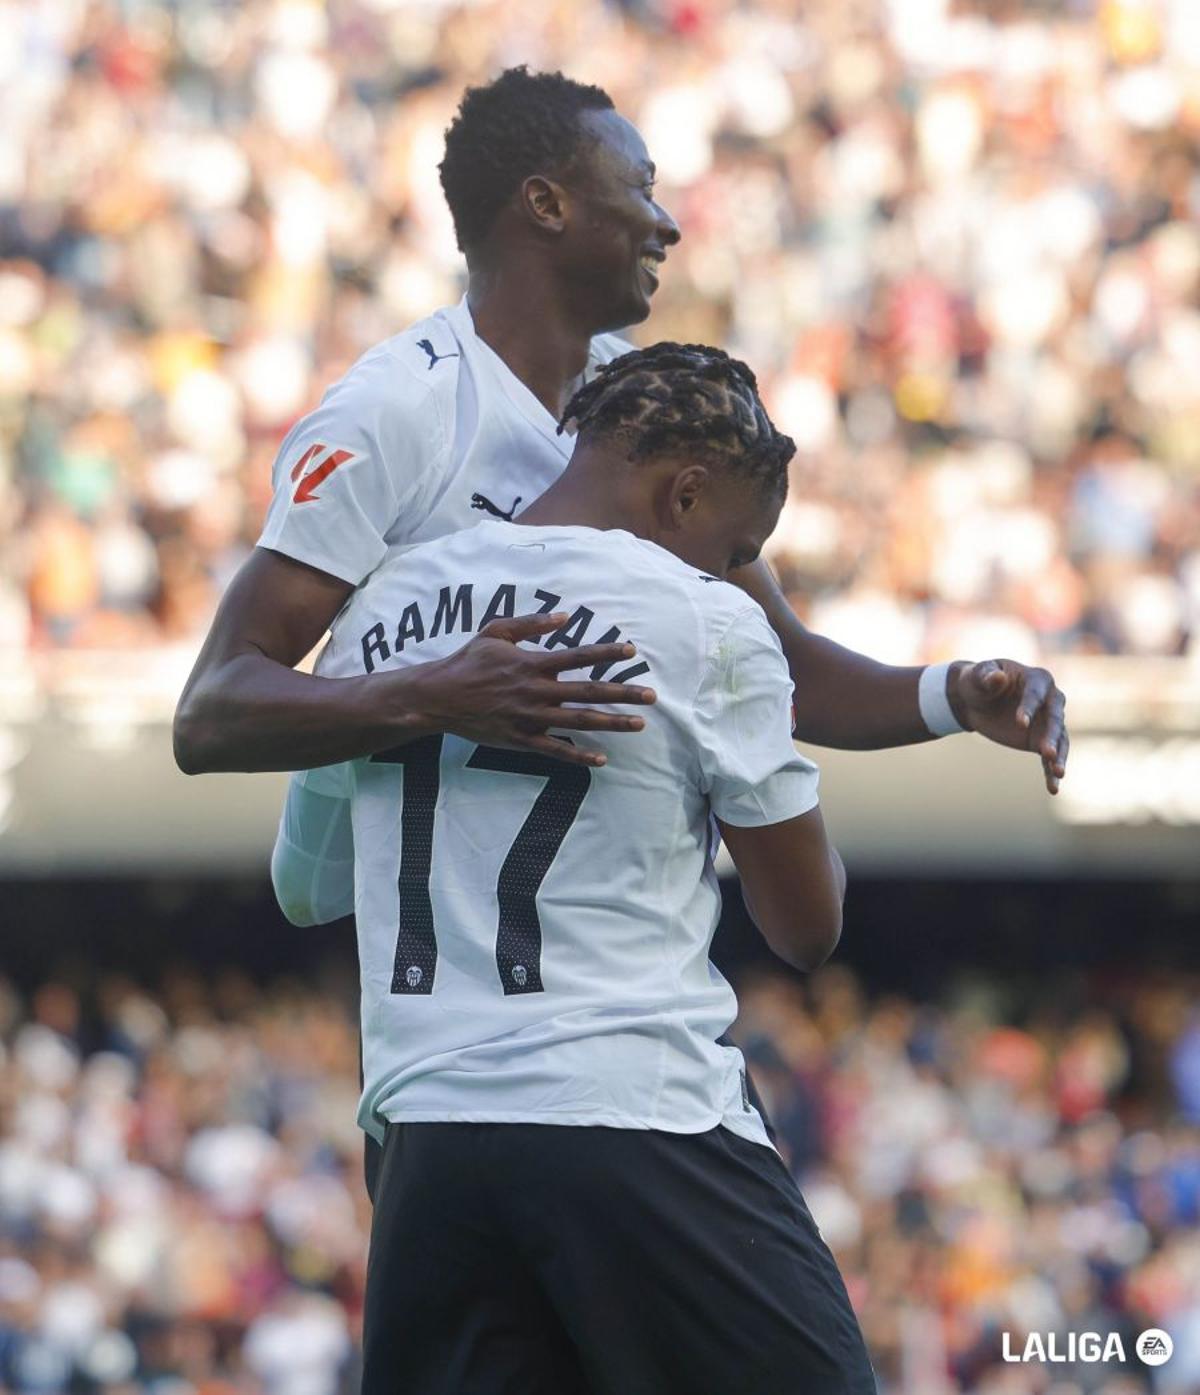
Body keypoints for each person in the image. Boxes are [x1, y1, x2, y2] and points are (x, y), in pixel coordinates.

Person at [173, 66, 1068, 791]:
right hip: (428, 975)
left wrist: (953, 695)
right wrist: (434, 695)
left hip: (603, 940)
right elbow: (213, 710)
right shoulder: (397, 411)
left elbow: (779, 669)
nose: (668, 223)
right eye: (641, 188)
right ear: (547, 204)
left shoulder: (650, 408)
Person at [282, 340, 876, 1395]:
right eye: (734, 545)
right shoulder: (702, 616)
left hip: (429, 1147)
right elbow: (807, 926)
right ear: (686, 493)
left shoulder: (377, 607)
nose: (729, 570)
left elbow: (307, 886)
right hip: (631, 1116)